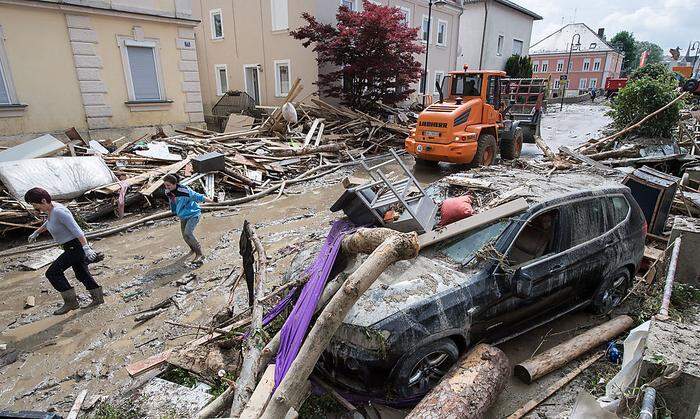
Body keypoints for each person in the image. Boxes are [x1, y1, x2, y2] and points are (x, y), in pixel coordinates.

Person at [25, 187, 103, 315]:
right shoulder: (51, 208)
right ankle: (98, 298)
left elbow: (77, 230)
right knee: (81, 273)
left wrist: (86, 248)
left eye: (35, 205)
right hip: (70, 246)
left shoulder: (60, 211)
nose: (35, 209)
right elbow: (49, 222)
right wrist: (37, 232)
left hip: (75, 247)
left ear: (44, 201)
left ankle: (71, 302)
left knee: (53, 273)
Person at [162, 174, 215, 263]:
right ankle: (193, 249)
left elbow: (199, 196)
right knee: (185, 236)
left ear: (175, 184)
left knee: (188, 233)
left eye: (168, 185)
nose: (166, 187)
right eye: (165, 185)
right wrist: (174, 212)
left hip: (193, 214)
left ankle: (199, 254)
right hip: (183, 215)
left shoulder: (185, 191)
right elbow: (172, 202)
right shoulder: (168, 192)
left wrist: (212, 201)